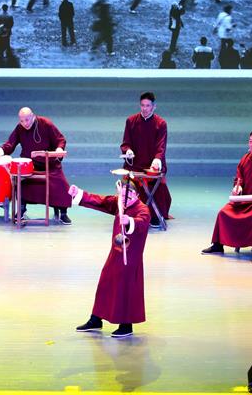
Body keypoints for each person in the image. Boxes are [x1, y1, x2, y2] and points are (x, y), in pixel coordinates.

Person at [69, 177, 151, 338]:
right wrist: (78, 193)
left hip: (130, 258)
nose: (125, 199)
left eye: (129, 195)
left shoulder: (143, 209)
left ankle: (126, 325)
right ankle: (96, 319)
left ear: (136, 195)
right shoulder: (119, 203)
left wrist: (130, 221)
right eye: (122, 195)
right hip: (115, 253)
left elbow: (142, 222)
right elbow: (100, 201)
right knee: (105, 283)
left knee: (126, 288)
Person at [202, 130, 252, 265]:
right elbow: (238, 179)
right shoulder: (245, 159)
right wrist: (238, 188)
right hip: (245, 200)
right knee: (223, 212)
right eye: (250, 141)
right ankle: (218, 245)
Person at [0, 107, 72, 224]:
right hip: (30, 164)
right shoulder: (20, 128)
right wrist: (0, 151)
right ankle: (21, 209)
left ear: (32, 116)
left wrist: (59, 149)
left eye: (27, 120)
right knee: (22, 181)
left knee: (61, 184)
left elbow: (60, 139)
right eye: (22, 121)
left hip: (49, 163)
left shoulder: (46, 123)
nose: (25, 123)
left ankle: (63, 213)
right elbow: (10, 144)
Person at [121, 92, 171, 228]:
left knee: (157, 185)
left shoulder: (161, 123)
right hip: (135, 164)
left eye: (148, 106)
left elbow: (161, 146)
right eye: (142, 105)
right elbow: (125, 143)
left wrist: (157, 159)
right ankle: (130, 214)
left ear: (154, 106)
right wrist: (128, 151)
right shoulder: (131, 121)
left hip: (151, 165)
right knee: (127, 184)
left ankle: (154, 215)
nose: (144, 108)